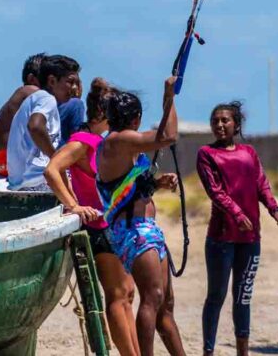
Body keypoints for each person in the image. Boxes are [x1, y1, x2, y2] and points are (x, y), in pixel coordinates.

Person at [43, 78, 140, 356]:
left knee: (127, 294)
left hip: (113, 224)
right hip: (98, 227)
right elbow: (52, 170)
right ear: (104, 112)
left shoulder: (102, 141)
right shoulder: (83, 140)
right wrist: (73, 205)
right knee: (118, 295)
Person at [97, 79, 186, 356]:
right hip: (133, 231)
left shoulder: (122, 144)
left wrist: (156, 184)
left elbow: (128, 184)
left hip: (147, 229)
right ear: (135, 119)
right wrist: (169, 96)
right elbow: (168, 136)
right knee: (152, 298)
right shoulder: (119, 140)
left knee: (165, 304)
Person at [197, 101, 278, 356]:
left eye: (225, 120)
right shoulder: (206, 154)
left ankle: (242, 351)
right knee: (216, 296)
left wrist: (274, 208)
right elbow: (215, 191)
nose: (220, 125)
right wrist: (236, 214)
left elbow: (261, 184)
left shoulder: (249, 152)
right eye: (215, 121)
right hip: (221, 238)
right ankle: (208, 351)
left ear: (236, 124)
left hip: (250, 239)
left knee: (243, 297)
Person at [5, 55, 81, 191]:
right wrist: (55, 158)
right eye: (70, 82)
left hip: (21, 183)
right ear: (52, 81)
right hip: (35, 183)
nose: (75, 88)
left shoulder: (36, 98)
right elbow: (35, 126)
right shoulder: (47, 99)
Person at [0, 53, 45, 176]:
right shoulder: (29, 91)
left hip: (1, 163)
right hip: (11, 162)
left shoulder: (22, 97)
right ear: (31, 79)